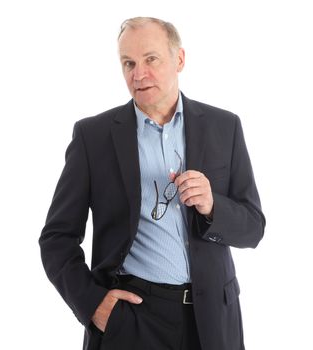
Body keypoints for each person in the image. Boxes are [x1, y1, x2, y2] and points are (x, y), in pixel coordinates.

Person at [39, 17, 265, 350]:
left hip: (213, 321)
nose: (138, 74)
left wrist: (212, 206)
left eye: (151, 59)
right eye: (128, 63)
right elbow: (56, 238)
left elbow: (253, 227)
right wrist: (93, 306)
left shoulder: (224, 127)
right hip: (132, 320)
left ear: (179, 59)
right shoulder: (93, 137)